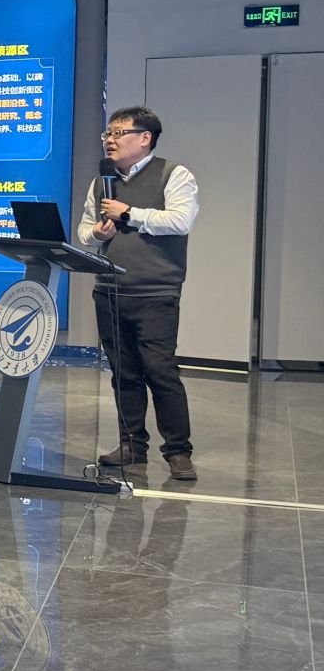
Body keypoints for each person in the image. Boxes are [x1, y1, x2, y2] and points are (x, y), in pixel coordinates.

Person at [76, 105, 198, 481]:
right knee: (123, 373)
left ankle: (178, 451)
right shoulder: (102, 181)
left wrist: (130, 213)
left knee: (161, 371)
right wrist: (97, 234)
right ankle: (131, 445)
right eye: (107, 134)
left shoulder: (173, 174)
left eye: (119, 133)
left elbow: (181, 220)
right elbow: (84, 231)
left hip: (156, 293)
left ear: (145, 138)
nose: (109, 140)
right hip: (109, 291)